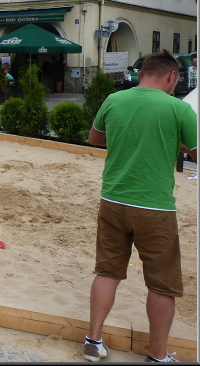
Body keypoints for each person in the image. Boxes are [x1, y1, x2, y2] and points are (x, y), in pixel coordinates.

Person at [84, 50, 197, 363]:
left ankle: (92, 341)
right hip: (155, 208)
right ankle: (157, 356)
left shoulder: (113, 100)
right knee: (162, 284)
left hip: (112, 200)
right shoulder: (178, 108)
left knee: (107, 272)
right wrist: (175, 141)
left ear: (143, 73)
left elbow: (95, 139)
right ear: (171, 76)